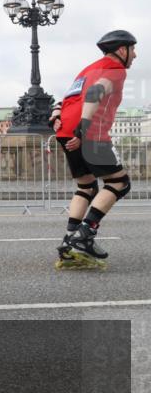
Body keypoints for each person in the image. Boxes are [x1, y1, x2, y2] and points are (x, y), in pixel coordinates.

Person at [51, 30, 137, 269]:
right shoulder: (116, 69)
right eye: (133, 49)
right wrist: (83, 128)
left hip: (64, 130)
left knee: (87, 186)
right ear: (122, 50)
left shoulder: (88, 69)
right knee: (120, 183)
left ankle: (69, 242)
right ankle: (84, 235)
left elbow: (65, 99)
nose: (135, 55)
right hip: (89, 132)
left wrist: (55, 116)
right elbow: (94, 93)